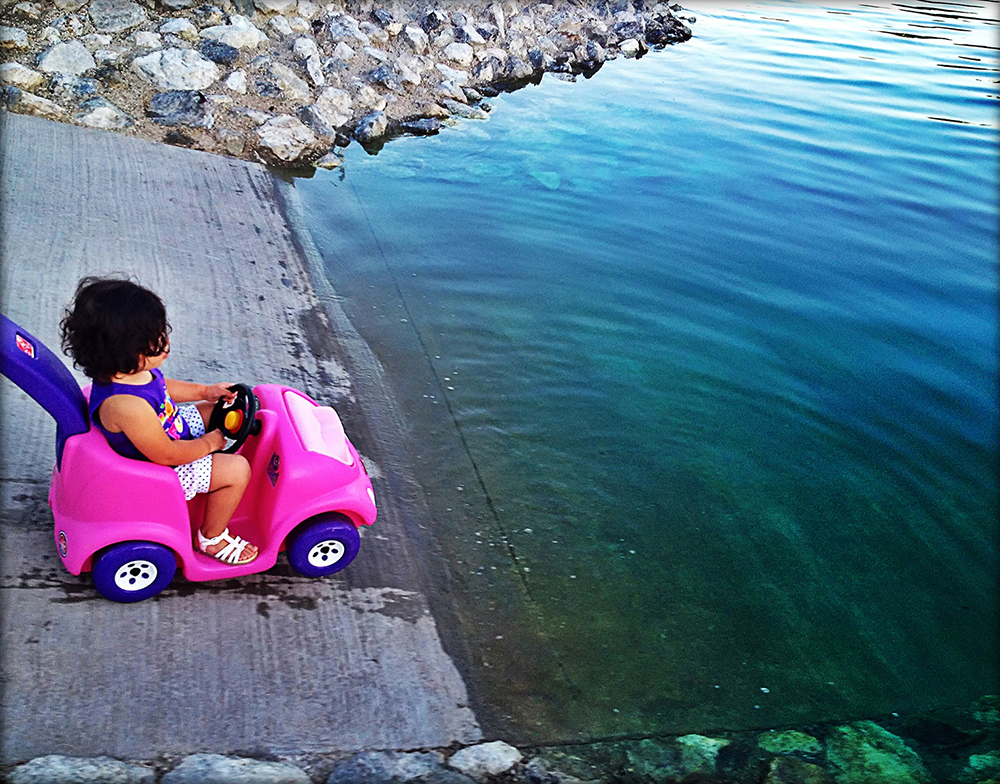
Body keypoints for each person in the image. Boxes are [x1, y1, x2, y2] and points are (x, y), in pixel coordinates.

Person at [60, 276, 258, 565]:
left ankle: (216, 452)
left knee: (214, 409)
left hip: (169, 428)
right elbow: (166, 454)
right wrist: (210, 443)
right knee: (238, 470)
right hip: (159, 466)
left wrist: (205, 392)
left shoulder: (129, 370)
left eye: (161, 332)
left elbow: (163, 388)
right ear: (122, 351)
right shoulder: (125, 405)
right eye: (151, 341)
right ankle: (212, 538)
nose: (164, 342)